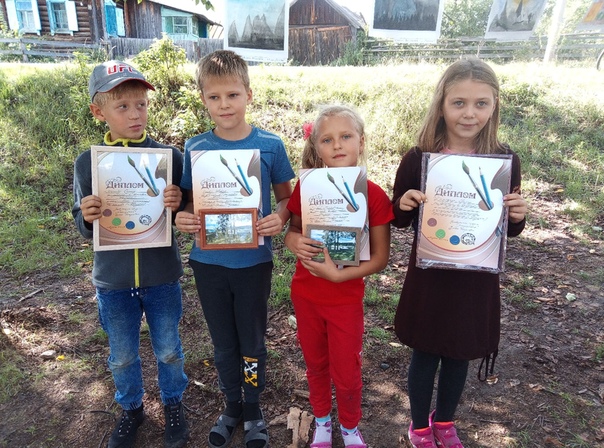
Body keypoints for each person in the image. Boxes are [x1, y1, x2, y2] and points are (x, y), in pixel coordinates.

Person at [391, 58, 528, 448]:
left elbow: (508, 230)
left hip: (474, 280)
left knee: (459, 354)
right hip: (431, 277)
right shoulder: (419, 158)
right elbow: (398, 218)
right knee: (425, 354)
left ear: (495, 105)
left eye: (481, 103)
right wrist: (405, 203)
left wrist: (517, 215)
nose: (470, 113)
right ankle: (420, 426)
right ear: (442, 105)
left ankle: (445, 422)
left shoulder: (504, 161)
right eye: (459, 103)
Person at [174, 50, 294, 448]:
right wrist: (183, 217)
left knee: (252, 342)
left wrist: (280, 217)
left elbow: (286, 199)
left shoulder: (270, 145)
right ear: (203, 100)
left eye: (232, 95)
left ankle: (253, 406)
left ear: (249, 94)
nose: (224, 104)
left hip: (253, 262)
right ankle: (231, 405)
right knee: (224, 343)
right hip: (208, 264)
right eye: (214, 97)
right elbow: (190, 202)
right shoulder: (195, 147)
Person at [72, 61, 189, 448]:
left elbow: (185, 215)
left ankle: (174, 404)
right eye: (122, 106)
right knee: (121, 355)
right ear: (98, 111)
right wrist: (88, 216)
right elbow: (82, 224)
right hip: (114, 281)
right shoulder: (89, 163)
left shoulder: (169, 157)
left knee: (169, 350)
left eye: (141, 104)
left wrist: (178, 202)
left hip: (161, 276)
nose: (135, 114)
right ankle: (131, 409)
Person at [284, 105, 394, 448]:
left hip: (345, 299)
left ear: (361, 142)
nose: (337, 145)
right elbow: (292, 231)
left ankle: (349, 427)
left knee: (346, 370)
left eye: (346, 136)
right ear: (317, 148)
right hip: (306, 294)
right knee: (315, 364)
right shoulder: (307, 189)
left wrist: (338, 277)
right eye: (327, 139)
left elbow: (380, 258)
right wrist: (292, 241)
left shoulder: (373, 195)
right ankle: (321, 421)